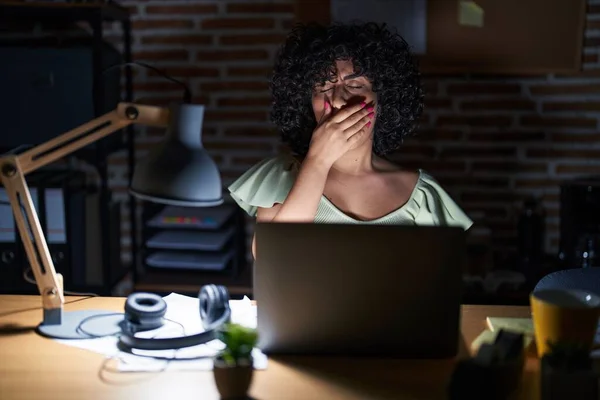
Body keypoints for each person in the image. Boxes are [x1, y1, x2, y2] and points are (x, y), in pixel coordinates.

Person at [227, 22, 473, 256]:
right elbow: (272, 260)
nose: (336, 100)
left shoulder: (421, 194)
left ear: (383, 100)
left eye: (355, 85)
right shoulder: (281, 174)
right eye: (322, 87)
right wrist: (318, 161)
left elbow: (437, 283)